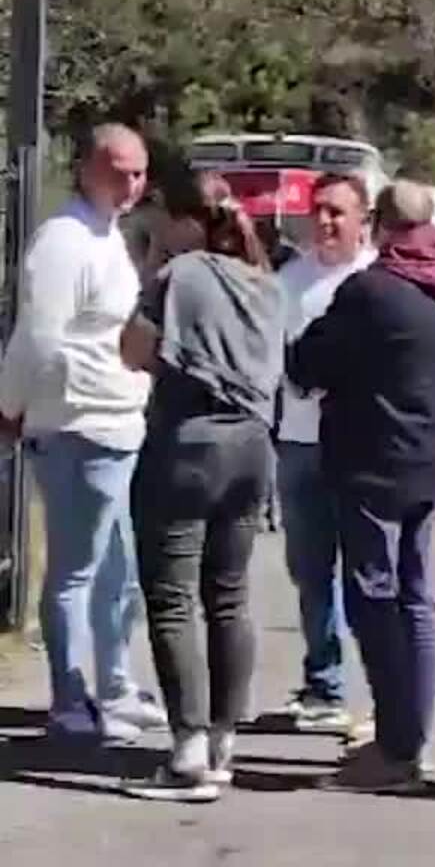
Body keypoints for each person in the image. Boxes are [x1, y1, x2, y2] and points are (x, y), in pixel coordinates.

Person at [288, 180, 435, 792]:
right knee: (415, 598)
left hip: (371, 461)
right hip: (428, 459)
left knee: (373, 599)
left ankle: (395, 748)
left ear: (382, 226)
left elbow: (308, 364)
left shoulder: (372, 289)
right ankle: (415, 735)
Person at [117, 173, 284, 801]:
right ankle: (222, 742)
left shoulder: (180, 276)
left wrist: (157, 267)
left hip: (188, 443)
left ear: (189, 221)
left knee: (172, 596)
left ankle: (186, 749)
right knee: (230, 594)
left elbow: (133, 352)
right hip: (252, 447)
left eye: (164, 218)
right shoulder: (265, 284)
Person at [0, 124, 166, 743]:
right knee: (74, 570)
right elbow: (37, 337)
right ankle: (70, 698)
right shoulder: (63, 241)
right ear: (87, 168)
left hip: (120, 423)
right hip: (75, 424)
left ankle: (116, 685)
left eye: (140, 172)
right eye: (119, 170)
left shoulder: (109, 237)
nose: (132, 184)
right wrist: (10, 407)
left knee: (118, 568)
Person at [272, 173, 376, 732]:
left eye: (338, 211)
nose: (327, 222)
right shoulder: (292, 279)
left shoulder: (376, 281)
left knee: (367, 575)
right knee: (310, 571)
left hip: (359, 450)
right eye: (319, 211)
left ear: (364, 218)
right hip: (298, 444)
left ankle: (382, 691)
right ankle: (324, 683)